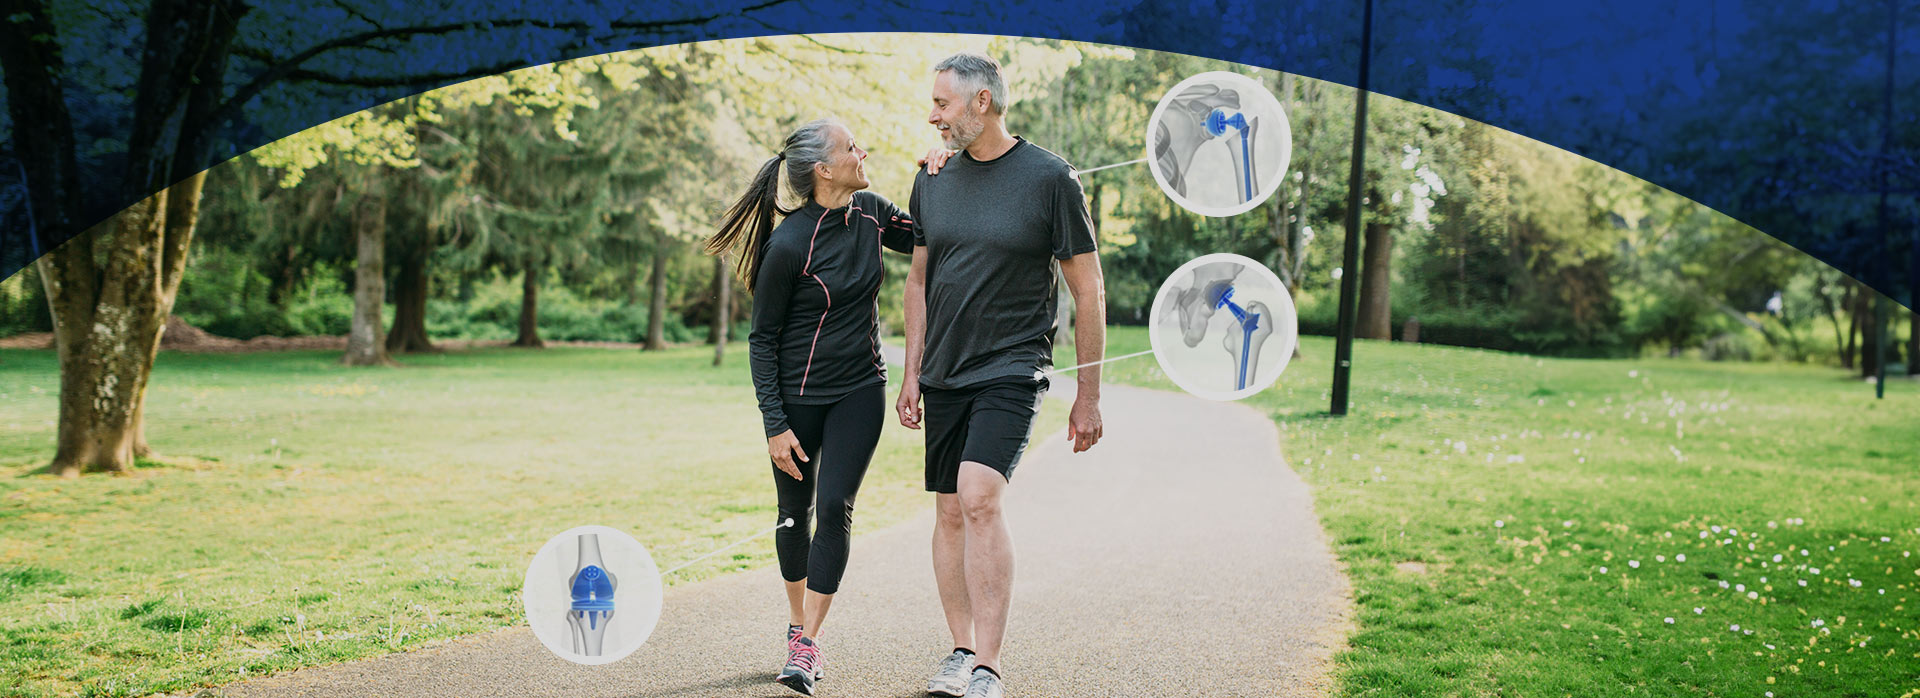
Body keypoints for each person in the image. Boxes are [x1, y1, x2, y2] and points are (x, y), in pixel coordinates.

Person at [896, 52, 1107, 698]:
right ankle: (960, 651)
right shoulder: (931, 179)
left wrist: (1088, 394)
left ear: (981, 102)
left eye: (942, 103)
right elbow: (918, 279)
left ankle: (988, 666)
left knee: (980, 497)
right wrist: (910, 374)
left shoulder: (1050, 179)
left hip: (1013, 367)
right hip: (943, 372)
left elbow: (1088, 289)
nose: (931, 115)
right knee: (950, 509)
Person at [705, 118, 916, 696]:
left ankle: (806, 643)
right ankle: (798, 623)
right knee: (795, 514)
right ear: (823, 170)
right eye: (851, 147)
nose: (862, 151)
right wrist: (775, 426)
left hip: (859, 390)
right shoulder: (790, 242)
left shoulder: (871, 211)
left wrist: (941, 172)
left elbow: (930, 231)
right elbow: (761, 339)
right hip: (796, 399)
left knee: (835, 506)